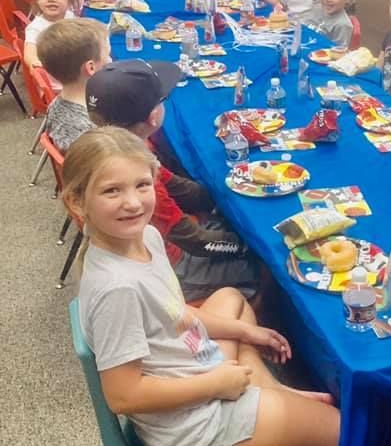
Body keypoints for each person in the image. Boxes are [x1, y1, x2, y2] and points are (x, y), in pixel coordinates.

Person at [65, 126, 340, 446]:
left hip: (194, 367)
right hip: (190, 424)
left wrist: (238, 331)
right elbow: (124, 395)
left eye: (141, 185)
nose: (133, 201)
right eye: (111, 191)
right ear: (78, 203)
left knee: (231, 298)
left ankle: (272, 396)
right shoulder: (116, 290)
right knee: (341, 438)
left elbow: (175, 315)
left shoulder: (144, 240)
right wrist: (218, 383)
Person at [85, 59, 264, 304]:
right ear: (152, 116)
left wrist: (221, 195)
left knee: (229, 224)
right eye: (162, 100)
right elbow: (194, 241)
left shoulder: (128, 148)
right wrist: (248, 245)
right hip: (175, 267)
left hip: (169, 248)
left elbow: (180, 189)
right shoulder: (136, 180)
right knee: (266, 267)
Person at [36, 18, 111, 150]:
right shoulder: (91, 130)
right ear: (91, 68)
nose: (110, 60)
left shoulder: (56, 105)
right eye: (108, 55)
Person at [23, 0, 75, 73]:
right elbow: (29, 51)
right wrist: (34, 62)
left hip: (72, 67)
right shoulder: (36, 27)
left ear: (69, 0)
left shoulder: (70, 16)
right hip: (54, 77)